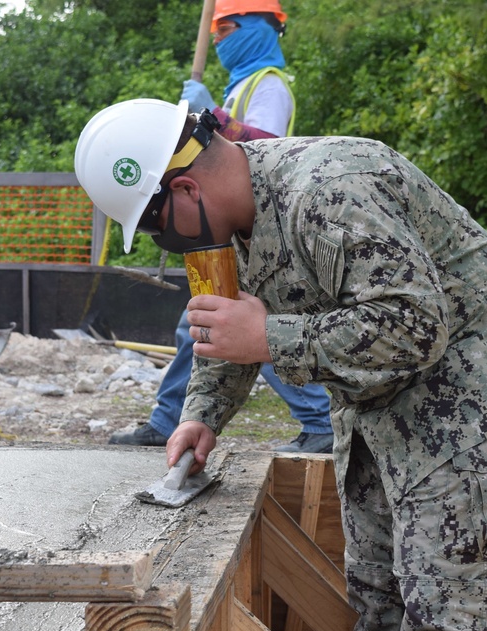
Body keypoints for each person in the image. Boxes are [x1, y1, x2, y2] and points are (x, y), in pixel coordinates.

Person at [74, 98, 487, 631]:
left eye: (157, 227)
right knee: (378, 613)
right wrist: (202, 413)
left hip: (472, 401)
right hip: (376, 409)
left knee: (446, 630)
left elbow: (414, 326)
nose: (171, 246)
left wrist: (270, 338)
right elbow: (228, 323)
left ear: (185, 190)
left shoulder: (329, 193)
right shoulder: (229, 221)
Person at [108, 0, 335, 454]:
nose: (219, 39)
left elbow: (267, 152)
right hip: (227, 222)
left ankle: (319, 420)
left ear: (262, 26)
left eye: (228, 27)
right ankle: (171, 418)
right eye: (215, 33)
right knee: (199, 323)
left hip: (258, 223)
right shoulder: (239, 86)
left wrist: (212, 116)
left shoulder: (268, 86)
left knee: (250, 327)